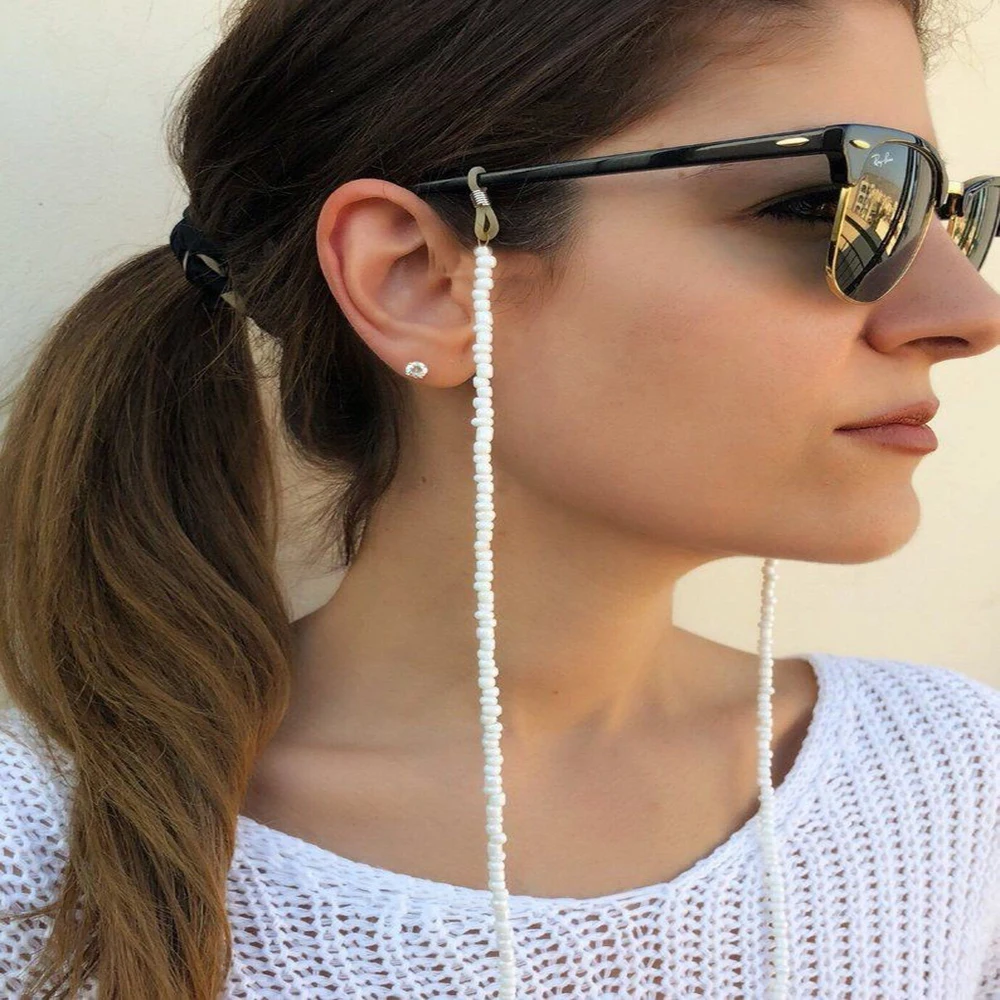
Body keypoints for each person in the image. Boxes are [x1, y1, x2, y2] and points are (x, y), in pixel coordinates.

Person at [1, 0, 999, 996]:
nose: (969, 312)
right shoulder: (36, 859)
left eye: (946, 216)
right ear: (416, 281)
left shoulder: (954, 781)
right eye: (828, 205)